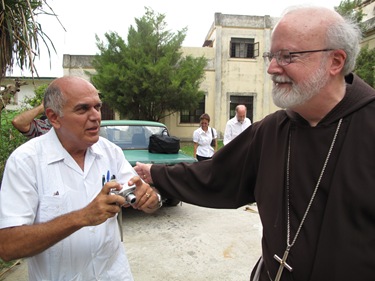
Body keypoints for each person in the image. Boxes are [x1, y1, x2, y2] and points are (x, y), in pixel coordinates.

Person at [134, 6, 375, 281]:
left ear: (335, 61)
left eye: (288, 56)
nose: (272, 68)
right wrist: (154, 173)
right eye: (271, 56)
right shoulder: (272, 130)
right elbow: (215, 175)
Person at [0, 76, 162, 281]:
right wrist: (81, 217)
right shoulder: (26, 162)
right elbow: (7, 246)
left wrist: (151, 199)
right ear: (54, 117)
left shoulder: (110, 152)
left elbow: (147, 200)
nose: (95, 116)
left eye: (97, 107)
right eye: (83, 109)